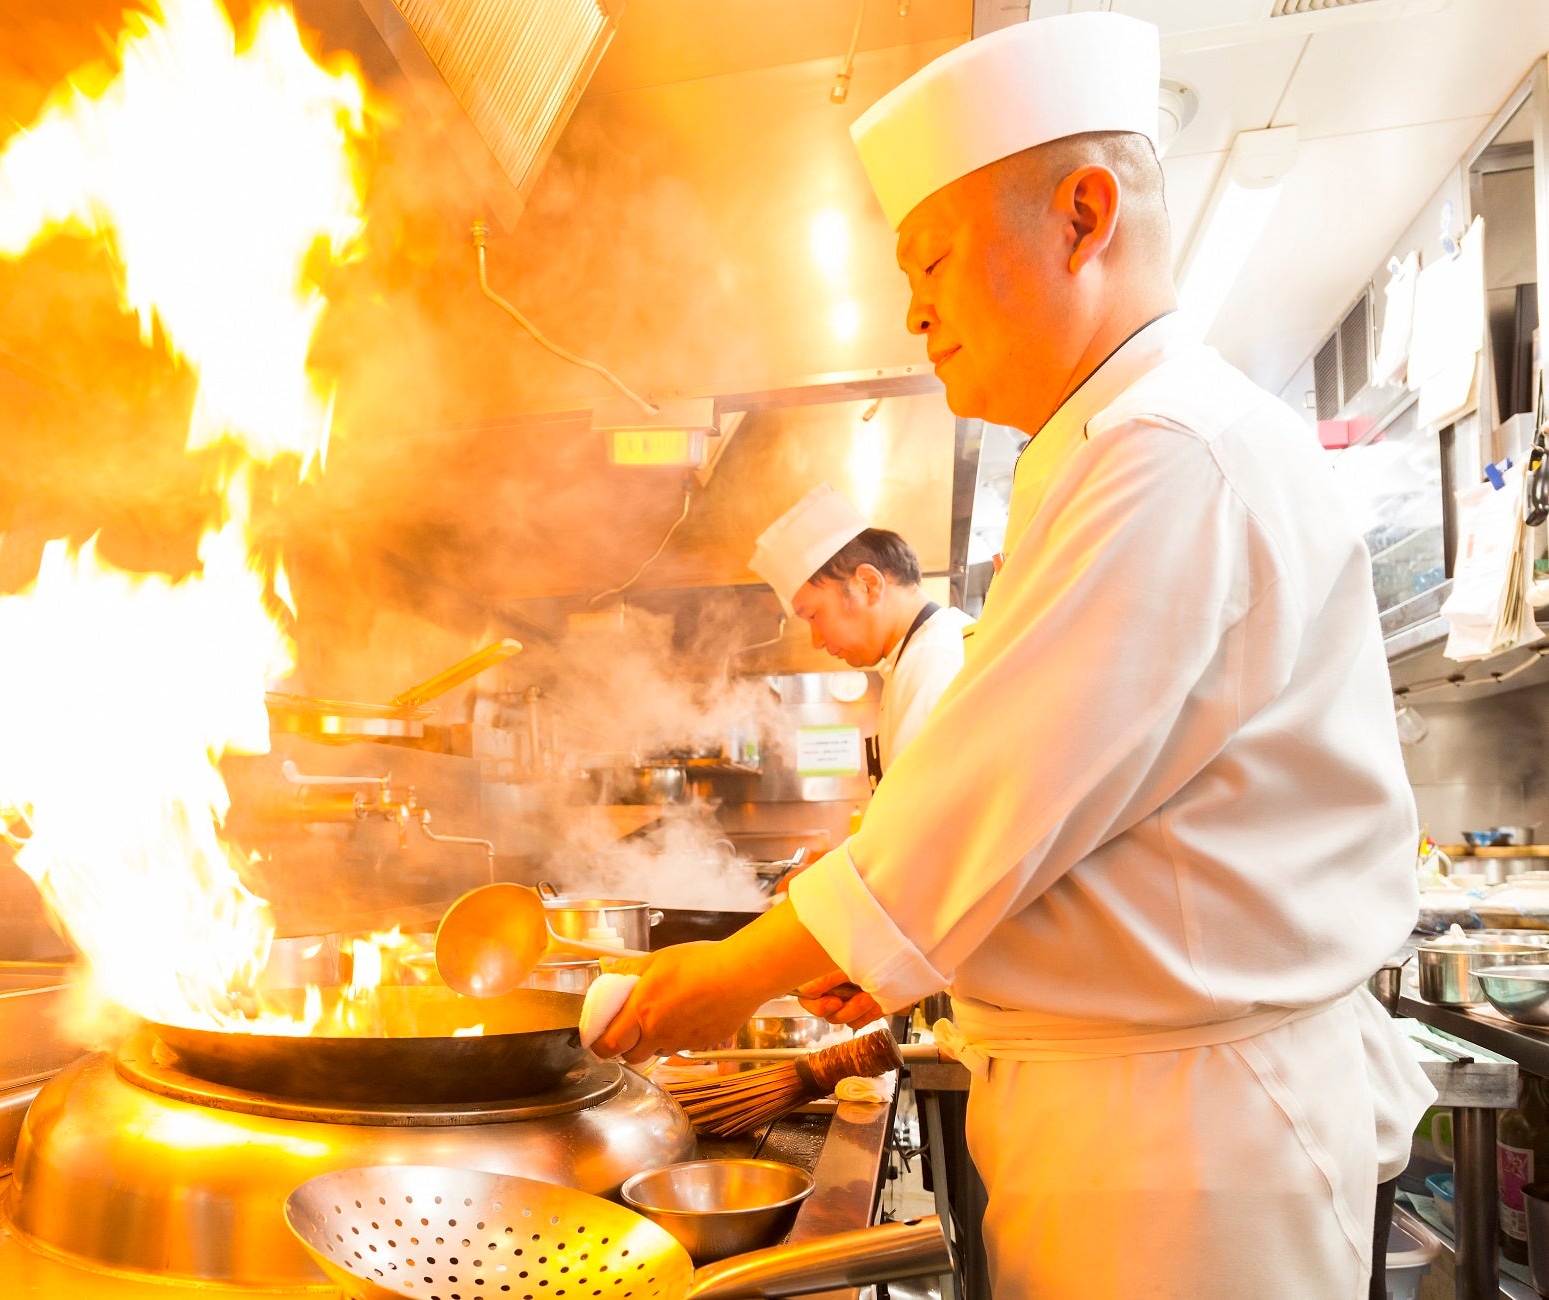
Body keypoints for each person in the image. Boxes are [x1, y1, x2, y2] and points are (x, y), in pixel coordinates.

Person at [591, 12, 1434, 1298]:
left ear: (1083, 217)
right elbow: (1057, 830)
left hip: (1184, 1154)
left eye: (931, 261)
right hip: (1137, 1118)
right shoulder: (1105, 451)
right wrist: (862, 951)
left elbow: (983, 808)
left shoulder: (1171, 453)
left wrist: (715, 983)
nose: (914, 312)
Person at [750, 483, 971, 767]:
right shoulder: (915, 656)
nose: (816, 640)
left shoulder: (934, 659)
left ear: (868, 585)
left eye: (814, 615)